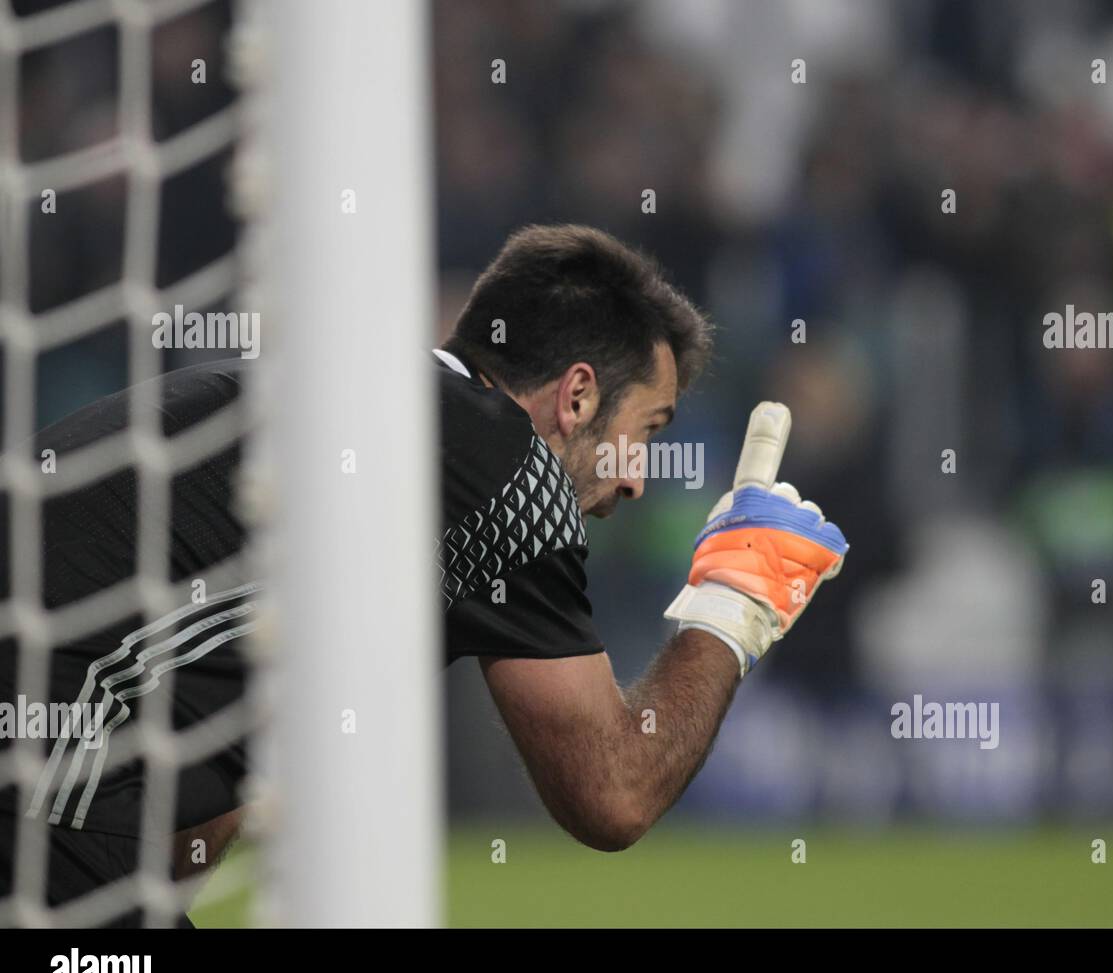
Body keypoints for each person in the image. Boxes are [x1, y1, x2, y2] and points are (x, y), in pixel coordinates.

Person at [0, 223, 847, 925]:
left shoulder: (378, 421)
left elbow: (211, 772)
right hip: (54, 722)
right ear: (578, 397)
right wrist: (733, 607)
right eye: (649, 429)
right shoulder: (508, 473)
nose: (635, 479)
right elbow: (613, 794)